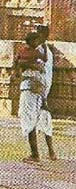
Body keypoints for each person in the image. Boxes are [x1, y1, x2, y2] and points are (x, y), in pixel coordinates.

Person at [16, 32, 46, 162]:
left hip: (32, 88)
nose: (37, 43)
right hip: (30, 87)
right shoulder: (29, 53)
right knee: (28, 118)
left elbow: (39, 65)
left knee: (28, 118)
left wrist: (27, 64)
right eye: (36, 40)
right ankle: (34, 153)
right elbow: (19, 65)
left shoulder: (36, 53)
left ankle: (35, 154)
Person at [35, 24, 56, 160]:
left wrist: (42, 96)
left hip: (39, 92)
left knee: (44, 122)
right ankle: (44, 152)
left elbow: (45, 75)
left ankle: (46, 152)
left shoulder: (44, 52)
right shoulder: (41, 51)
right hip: (36, 91)